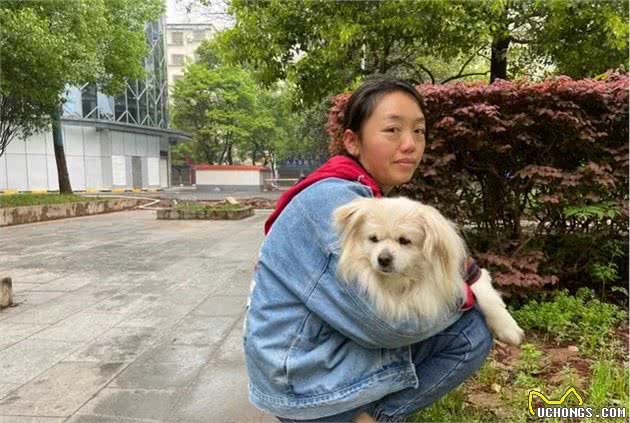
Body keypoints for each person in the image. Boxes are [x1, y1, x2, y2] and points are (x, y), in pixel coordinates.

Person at [243, 78, 493, 422]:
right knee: (470, 331)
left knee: (465, 324)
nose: (410, 145)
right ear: (352, 141)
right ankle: (371, 417)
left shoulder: (357, 193)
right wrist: (462, 295)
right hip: (303, 380)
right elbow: (386, 325)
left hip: (304, 358)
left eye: (419, 131)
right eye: (392, 130)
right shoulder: (334, 204)